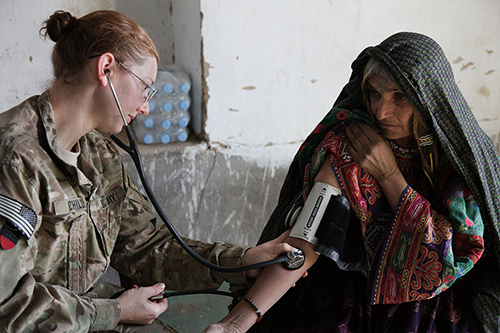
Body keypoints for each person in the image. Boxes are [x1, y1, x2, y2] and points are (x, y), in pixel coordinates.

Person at [0, 10, 298, 333]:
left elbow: (146, 248)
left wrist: (240, 261)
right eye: (145, 88)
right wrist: (113, 311)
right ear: (106, 69)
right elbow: (9, 307)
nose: (145, 106)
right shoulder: (15, 157)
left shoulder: (101, 155)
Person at [205, 32, 500, 332]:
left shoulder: (462, 157)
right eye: (374, 93)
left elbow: (454, 253)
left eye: (400, 97)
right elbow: (308, 235)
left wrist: (390, 177)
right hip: (353, 291)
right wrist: (237, 323)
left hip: (437, 301)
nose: (382, 111)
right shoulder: (356, 142)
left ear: (428, 96)